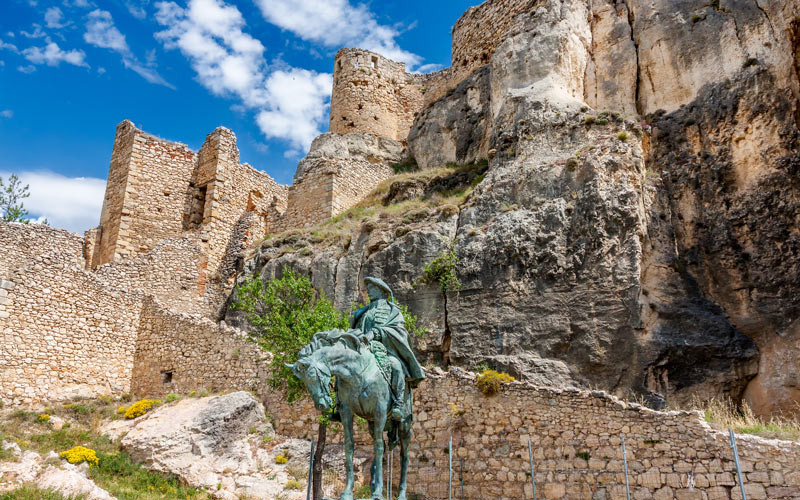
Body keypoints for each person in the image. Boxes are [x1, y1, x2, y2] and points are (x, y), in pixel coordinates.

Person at [351, 277, 426, 421]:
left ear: (382, 291)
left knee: (396, 366)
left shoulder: (392, 311)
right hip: (363, 349)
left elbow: (399, 331)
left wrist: (377, 333)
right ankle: (340, 404)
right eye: (369, 288)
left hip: (384, 350)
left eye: (373, 288)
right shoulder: (362, 313)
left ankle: (398, 403)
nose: (369, 291)